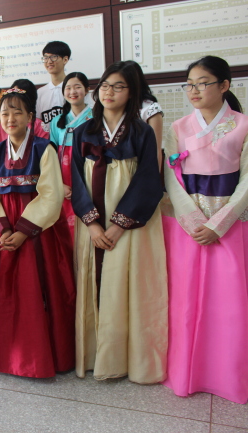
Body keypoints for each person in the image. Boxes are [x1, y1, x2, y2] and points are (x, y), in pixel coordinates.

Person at [71, 61, 167, 384]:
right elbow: (75, 178)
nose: (109, 92)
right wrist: (93, 224)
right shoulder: (83, 131)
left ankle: (125, 359)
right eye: (105, 86)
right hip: (92, 226)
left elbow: (148, 180)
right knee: (93, 285)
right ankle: (93, 354)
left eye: (119, 87)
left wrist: (117, 224)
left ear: (132, 93)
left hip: (128, 224)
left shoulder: (141, 131)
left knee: (124, 288)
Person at [162, 56, 248, 404]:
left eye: (202, 83)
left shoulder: (243, 125)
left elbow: (247, 181)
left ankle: (227, 375)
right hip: (188, 225)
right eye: (190, 84)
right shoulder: (178, 127)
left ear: (224, 86)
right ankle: (185, 372)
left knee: (229, 304)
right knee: (184, 302)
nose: (194, 90)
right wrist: (195, 220)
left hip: (229, 224)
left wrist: (219, 222)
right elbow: (171, 175)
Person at [0, 88, 75, 377]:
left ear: (30, 117)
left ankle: (49, 356)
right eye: (4, 113)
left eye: (17, 112)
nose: (10, 118)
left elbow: (51, 195)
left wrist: (23, 231)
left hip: (40, 232)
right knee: (9, 294)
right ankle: (11, 355)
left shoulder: (43, 148)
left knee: (43, 290)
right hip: (7, 232)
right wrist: (5, 229)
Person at [49, 72, 93, 238]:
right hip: (63, 175)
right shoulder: (57, 121)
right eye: (68, 88)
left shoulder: (95, 118)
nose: (72, 92)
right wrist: (59, 182)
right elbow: (51, 154)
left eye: (77, 87)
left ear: (87, 90)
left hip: (86, 171)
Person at [128, 61, 165, 169]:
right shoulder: (117, 107)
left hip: (141, 167)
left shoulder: (150, 108)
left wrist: (153, 179)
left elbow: (156, 149)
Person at [36, 41, 71, 133]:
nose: (49, 61)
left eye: (54, 57)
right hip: (48, 144)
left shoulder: (73, 89)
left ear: (65, 59)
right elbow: (38, 123)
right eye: (46, 58)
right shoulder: (40, 93)